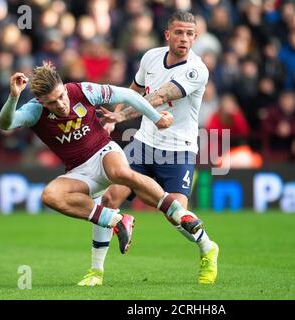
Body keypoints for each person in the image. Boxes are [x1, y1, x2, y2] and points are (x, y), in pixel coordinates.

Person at [0, 62, 204, 278]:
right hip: (78, 171)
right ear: (42, 101)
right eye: (52, 102)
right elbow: (6, 124)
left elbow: (127, 95)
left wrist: (156, 117)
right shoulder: (34, 110)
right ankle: (116, 221)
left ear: (63, 86)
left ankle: (179, 214)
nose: (60, 104)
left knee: (120, 174)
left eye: (61, 96)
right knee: (49, 195)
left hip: (104, 151)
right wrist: (13, 96)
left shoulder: (82, 91)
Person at [78, 11, 219, 287]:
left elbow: (158, 97)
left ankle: (208, 248)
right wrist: (114, 114)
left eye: (190, 34)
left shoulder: (197, 69)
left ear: (196, 38)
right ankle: (96, 272)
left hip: (179, 150)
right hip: (143, 144)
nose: (184, 39)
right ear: (168, 35)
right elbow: (135, 88)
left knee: (177, 216)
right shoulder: (151, 57)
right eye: (179, 32)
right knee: (109, 199)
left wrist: (121, 117)